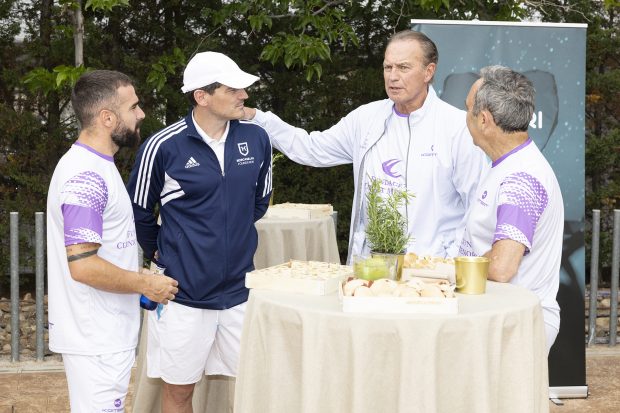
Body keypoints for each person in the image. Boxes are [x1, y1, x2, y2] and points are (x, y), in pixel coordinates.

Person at [242, 30, 489, 262]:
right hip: (368, 269)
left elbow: (477, 207)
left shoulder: (457, 127)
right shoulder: (366, 118)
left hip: (431, 274)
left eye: (403, 67)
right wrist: (257, 118)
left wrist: (450, 264)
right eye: (387, 67)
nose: (393, 76)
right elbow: (311, 148)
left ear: (428, 72)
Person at [126, 51, 272, 412]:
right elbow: (140, 212)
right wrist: (163, 252)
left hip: (240, 291)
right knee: (179, 393)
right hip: (182, 294)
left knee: (257, 388)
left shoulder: (256, 139)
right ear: (202, 96)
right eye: (234, 88)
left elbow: (259, 202)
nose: (244, 95)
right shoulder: (162, 146)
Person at [46, 70, 179, 412]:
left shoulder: (96, 166)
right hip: (96, 337)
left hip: (103, 334)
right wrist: (145, 285)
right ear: (107, 118)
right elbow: (84, 265)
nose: (141, 114)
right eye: (133, 107)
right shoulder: (85, 176)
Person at [458, 65, 564, 353]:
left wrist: (444, 271)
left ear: (484, 119)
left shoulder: (521, 180)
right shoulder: (510, 164)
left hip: (513, 329)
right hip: (502, 322)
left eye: (467, 111)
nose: (463, 119)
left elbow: (502, 267)